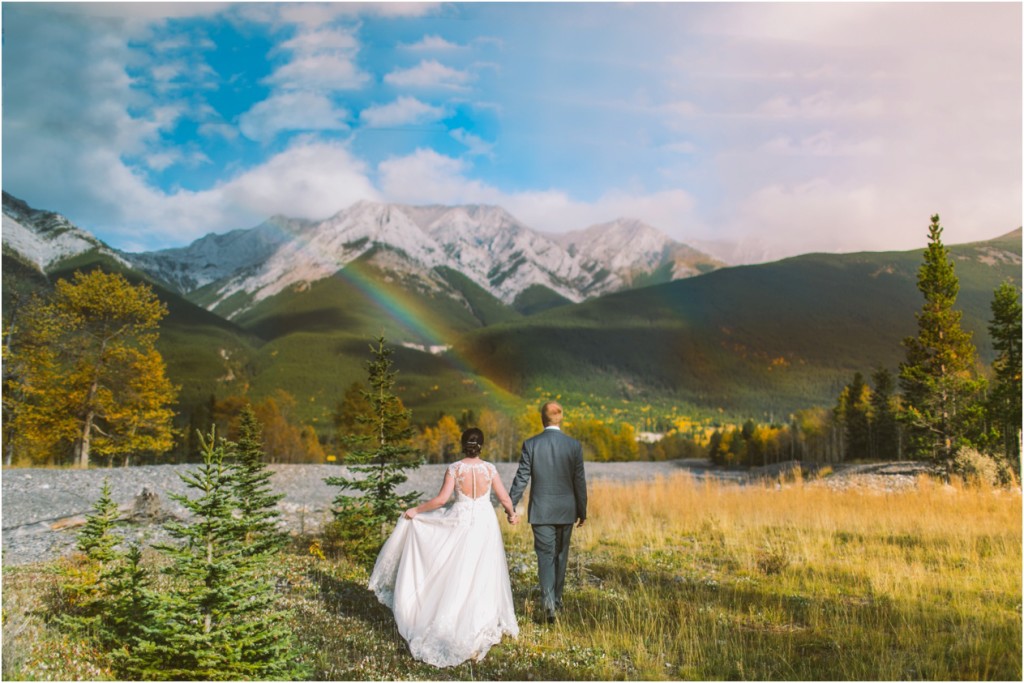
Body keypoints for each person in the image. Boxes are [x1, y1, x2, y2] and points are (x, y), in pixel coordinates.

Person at [368, 428, 520, 668]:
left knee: (456, 568)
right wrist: (512, 514)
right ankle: (481, 617)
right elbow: (504, 498)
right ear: (481, 446)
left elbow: (441, 500)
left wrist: (416, 511)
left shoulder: (455, 468)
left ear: (463, 445)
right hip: (484, 523)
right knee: (482, 571)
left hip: (460, 520)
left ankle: (452, 615)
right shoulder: (489, 469)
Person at [508, 401, 588, 624]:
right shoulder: (574, 446)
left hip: (541, 511)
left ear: (542, 418)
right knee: (561, 556)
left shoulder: (531, 444)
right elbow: (579, 481)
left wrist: (510, 504)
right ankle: (557, 602)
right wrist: (582, 510)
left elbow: (521, 478)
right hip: (566, 510)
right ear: (560, 418)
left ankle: (549, 605)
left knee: (545, 557)